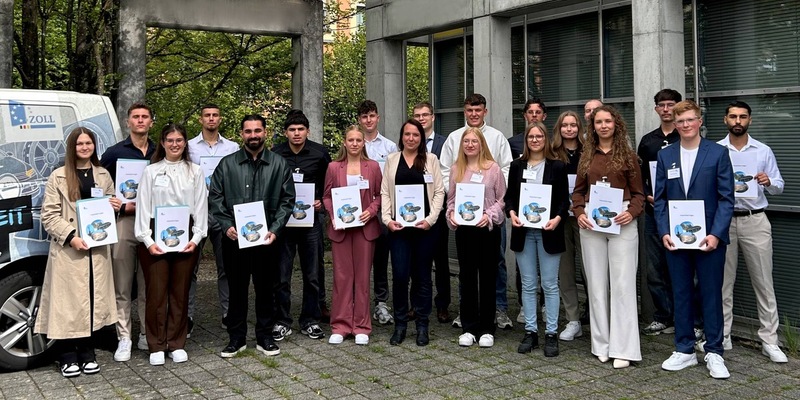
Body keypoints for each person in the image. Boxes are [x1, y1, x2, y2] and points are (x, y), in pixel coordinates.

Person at [656, 100, 734, 379]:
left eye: (690, 120)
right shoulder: (666, 156)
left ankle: (714, 351)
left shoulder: (718, 153)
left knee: (711, 294)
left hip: (709, 239)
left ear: (699, 121)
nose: (686, 125)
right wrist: (664, 231)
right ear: (674, 125)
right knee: (681, 292)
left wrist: (716, 234)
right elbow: (661, 199)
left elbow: (727, 199)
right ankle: (684, 349)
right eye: (680, 121)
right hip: (676, 239)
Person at [36, 127, 121, 377]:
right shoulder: (59, 176)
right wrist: (71, 237)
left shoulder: (103, 174)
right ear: (72, 147)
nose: (84, 147)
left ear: (94, 146)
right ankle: (66, 355)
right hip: (69, 251)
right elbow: (48, 215)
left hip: (96, 250)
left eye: (89, 143)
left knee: (91, 301)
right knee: (67, 305)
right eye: (79, 144)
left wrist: (114, 207)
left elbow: (108, 208)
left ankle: (87, 352)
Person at [209, 114, 295, 358]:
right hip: (234, 239)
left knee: (266, 289)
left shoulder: (279, 164)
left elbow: (288, 201)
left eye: (258, 130)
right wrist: (226, 226)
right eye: (248, 131)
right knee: (236, 289)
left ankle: (265, 337)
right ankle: (236, 339)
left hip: (267, 240)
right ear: (241, 134)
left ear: (265, 133)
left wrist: (275, 229)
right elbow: (215, 198)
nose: (253, 135)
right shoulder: (227, 165)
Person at [572, 105, 644, 369]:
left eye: (608, 121)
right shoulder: (586, 155)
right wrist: (578, 212)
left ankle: (623, 348)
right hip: (591, 222)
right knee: (597, 285)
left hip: (622, 222)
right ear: (593, 127)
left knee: (623, 286)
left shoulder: (628, 156)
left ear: (616, 124)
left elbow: (639, 194)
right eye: (598, 122)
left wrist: (632, 213)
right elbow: (578, 192)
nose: (603, 126)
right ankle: (600, 344)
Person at [716, 101, 787, 363]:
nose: (738, 121)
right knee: (723, 282)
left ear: (750, 121)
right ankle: (722, 336)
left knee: (763, 283)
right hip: (723, 221)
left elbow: (779, 185)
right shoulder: (715, 150)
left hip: (755, 220)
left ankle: (770, 340)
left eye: (743, 117)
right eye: (733, 116)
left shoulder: (762, 150)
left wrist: (769, 182)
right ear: (725, 120)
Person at [135, 123, 208, 366]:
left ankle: (176, 342)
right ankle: (156, 345)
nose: (175, 144)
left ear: (185, 143)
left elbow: (200, 208)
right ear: (163, 143)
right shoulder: (151, 171)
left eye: (179, 140)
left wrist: (196, 238)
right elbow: (143, 208)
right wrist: (147, 240)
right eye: (170, 140)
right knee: (156, 293)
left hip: (185, 235)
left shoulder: (195, 172)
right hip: (155, 235)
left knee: (180, 292)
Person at [439, 93, 513, 330]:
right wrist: (453, 209)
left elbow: (506, 170)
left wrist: (488, 210)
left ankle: (498, 309)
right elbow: (445, 171)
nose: (474, 114)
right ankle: (466, 311)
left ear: (485, 111)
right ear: (465, 111)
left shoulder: (497, 137)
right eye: (470, 110)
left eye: (478, 110)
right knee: (466, 268)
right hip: (464, 221)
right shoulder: (454, 138)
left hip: (488, 218)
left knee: (496, 264)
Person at [505, 122, 569, 357]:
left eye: (539, 136)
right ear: (526, 140)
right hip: (524, 232)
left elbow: (564, 201)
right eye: (531, 136)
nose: (534, 140)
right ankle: (531, 331)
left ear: (546, 139)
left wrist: (558, 218)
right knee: (529, 284)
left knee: (550, 285)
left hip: (548, 230)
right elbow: (509, 198)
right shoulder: (517, 166)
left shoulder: (558, 167)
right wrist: (511, 214)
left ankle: (551, 333)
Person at [381, 119, 445, 346]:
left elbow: (439, 192)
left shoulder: (431, 160)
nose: (411, 138)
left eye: (415, 135)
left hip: (424, 229)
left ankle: (422, 324)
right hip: (398, 230)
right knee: (399, 276)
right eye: (407, 134)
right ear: (402, 137)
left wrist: (430, 220)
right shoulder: (391, 160)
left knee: (423, 278)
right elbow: (385, 193)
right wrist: (387, 220)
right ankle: (400, 324)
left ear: (421, 138)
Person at [101, 102, 156, 361]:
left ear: (151, 122)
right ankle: (124, 337)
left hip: (153, 224)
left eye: (145, 117)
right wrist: (111, 201)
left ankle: (146, 333)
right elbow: (100, 186)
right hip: (123, 223)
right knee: (121, 285)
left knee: (148, 285)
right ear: (128, 122)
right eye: (136, 117)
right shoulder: (114, 153)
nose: (140, 121)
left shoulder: (160, 151)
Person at [272, 109, 331, 341]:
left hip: (311, 222)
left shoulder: (319, 153)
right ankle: (282, 320)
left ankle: (310, 319)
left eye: (300, 129)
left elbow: (329, 185)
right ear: (286, 132)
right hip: (284, 223)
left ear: (308, 130)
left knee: (312, 274)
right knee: (282, 274)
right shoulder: (276, 154)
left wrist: (322, 203)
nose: (296, 134)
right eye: (292, 130)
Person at [446, 127, 506, 348]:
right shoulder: (456, 169)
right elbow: (451, 200)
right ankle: (469, 327)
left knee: (488, 277)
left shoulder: (493, 169)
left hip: (487, 230)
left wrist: (488, 216)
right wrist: (451, 214)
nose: (470, 145)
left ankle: (487, 328)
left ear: (482, 144)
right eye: (466, 141)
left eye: (474, 141)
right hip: (465, 231)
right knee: (467, 277)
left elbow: (502, 200)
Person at [323, 125, 383, 345]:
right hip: (342, 230)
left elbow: (380, 195)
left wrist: (371, 211)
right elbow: (327, 196)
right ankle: (340, 325)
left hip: (364, 230)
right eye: (351, 140)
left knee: (362, 278)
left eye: (359, 140)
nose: (355, 143)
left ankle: (361, 327)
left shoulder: (373, 167)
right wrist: (334, 214)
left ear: (363, 143)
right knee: (342, 278)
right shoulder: (333, 167)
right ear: (344, 143)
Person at [187, 104, 239, 335]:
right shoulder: (188, 147)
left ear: (220, 118)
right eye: (207, 115)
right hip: (195, 211)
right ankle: (185, 317)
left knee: (226, 267)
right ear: (201, 119)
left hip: (223, 211)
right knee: (189, 268)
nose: (211, 118)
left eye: (215, 115)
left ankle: (229, 315)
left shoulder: (232, 147)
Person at [637, 89, 682, 336]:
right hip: (655, 211)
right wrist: (646, 195)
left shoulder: (685, 135)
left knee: (684, 268)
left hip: (684, 213)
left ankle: (688, 319)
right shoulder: (648, 141)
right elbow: (640, 177)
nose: (666, 109)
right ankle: (663, 316)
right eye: (662, 105)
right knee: (655, 268)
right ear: (655, 109)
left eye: (671, 105)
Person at [357, 100, 397, 326]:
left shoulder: (390, 147)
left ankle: (381, 303)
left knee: (381, 259)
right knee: (360, 260)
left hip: (383, 210)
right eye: (364, 117)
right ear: (359, 120)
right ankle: (358, 303)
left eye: (372, 115)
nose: (368, 120)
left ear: (378, 117)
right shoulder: (354, 144)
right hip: (358, 211)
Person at [508, 98, 548, 325]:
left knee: (547, 265)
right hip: (523, 215)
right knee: (524, 263)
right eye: (530, 112)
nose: (534, 115)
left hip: (546, 214)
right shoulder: (513, 143)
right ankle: (525, 305)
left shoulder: (550, 144)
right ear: (524, 116)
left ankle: (543, 305)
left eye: (538, 112)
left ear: (544, 116)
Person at [550, 110, 588, 341]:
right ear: (559, 128)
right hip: (560, 218)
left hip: (584, 217)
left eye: (573, 125)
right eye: (565, 125)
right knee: (565, 271)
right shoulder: (552, 153)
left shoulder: (589, 150)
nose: (569, 129)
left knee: (589, 269)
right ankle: (573, 319)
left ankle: (597, 317)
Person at [413, 101, 451, 323]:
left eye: (425, 115)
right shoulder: (408, 142)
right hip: (415, 211)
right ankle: (417, 304)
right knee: (417, 261)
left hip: (439, 209)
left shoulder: (444, 143)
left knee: (441, 261)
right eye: (417, 115)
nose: (421, 119)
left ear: (433, 117)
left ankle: (443, 304)